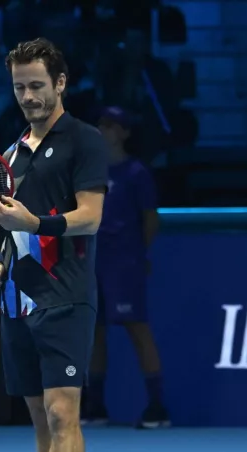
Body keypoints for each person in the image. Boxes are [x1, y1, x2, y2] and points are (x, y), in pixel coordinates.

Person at [0, 38, 108, 452]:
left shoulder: (85, 140)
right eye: (19, 87)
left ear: (60, 83)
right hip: (17, 300)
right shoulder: (9, 154)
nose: (28, 96)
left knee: (61, 413)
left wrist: (36, 222)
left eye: (36, 85)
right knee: (37, 415)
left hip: (66, 294)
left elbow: (90, 216)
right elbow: (8, 235)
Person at [83, 106, 168, 429]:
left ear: (125, 133)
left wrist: (135, 254)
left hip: (124, 263)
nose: (104, 130)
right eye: (101, 124)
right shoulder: (89, 172)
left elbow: (150, 219)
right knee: (95, 332)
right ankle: (96, 407)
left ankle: (158, 407)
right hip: (92, 261)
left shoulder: (136, 173)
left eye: (112, 126)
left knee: (137, 328)